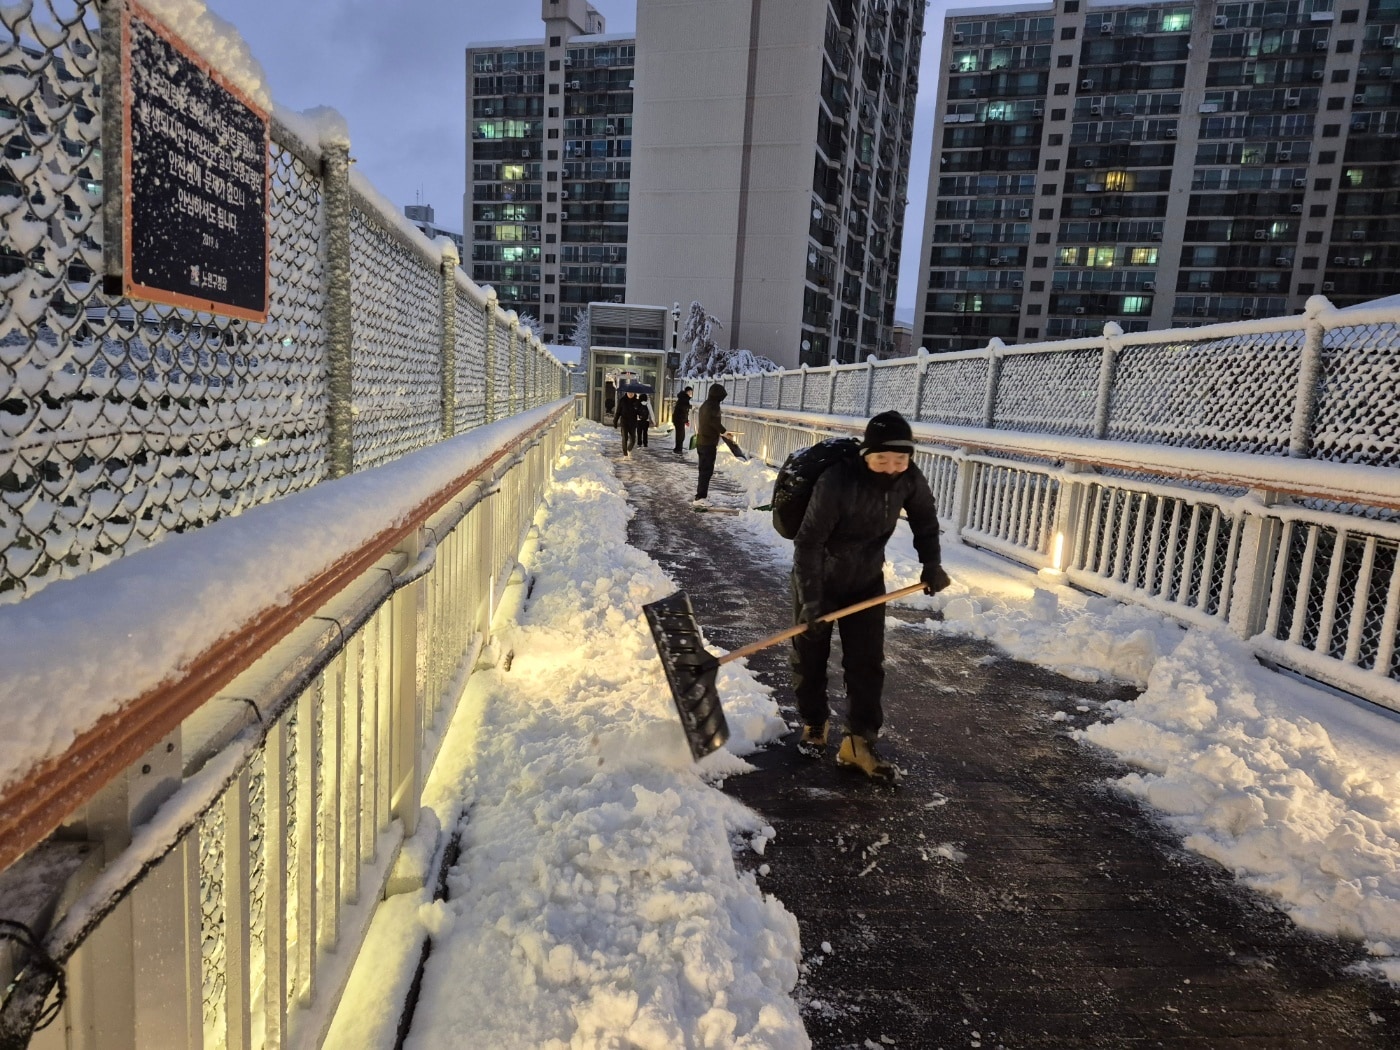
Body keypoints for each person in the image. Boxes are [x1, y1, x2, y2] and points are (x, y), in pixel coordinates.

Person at [790, 410, 951, 779]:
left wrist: (932, 565)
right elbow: (809, 542)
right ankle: (815, 722)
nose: (892, 468)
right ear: (866, 455)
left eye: (900, 459)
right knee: (810, 656)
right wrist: (811, 601)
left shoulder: (908, 478)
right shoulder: (837, 481)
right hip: (818, 578)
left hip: (865, 583)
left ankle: (858, 741)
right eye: (882, 460)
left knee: (866, 663)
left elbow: (926, 521)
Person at [692, 383, 734, 506]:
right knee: (706, 470)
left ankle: (700, 496)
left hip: (701, 441)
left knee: (703, 470)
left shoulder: (705, 405)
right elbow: (714, 422)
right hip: (708, 443)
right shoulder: (713, 406)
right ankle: (701, 498)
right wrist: (724, 432)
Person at [617, 391, 641, 456]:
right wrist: (615, 421)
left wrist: (641, 414)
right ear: (626, 393)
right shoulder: (622, 400)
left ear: (634, 393)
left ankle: (629, 449)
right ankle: (625, 453)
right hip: (624, 422)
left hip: (633, 423)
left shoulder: (637, 401)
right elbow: (618, 411)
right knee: (624, 438)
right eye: (629, 393)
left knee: (633, 439)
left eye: (632, 393)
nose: (630, 394)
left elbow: (640, 412)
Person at [672, 386, 693, 454]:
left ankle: (678, 448)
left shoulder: (683, 398)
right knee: (680, 435)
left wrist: (686, 420)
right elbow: (683, 409)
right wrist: (690, 407)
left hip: (679, 419)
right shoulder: (684, 399)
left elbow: (684, 411)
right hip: (679, 419)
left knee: (680, 434)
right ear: (687, 392)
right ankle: (678, 449)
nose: (691, 393)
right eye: (690, 392)